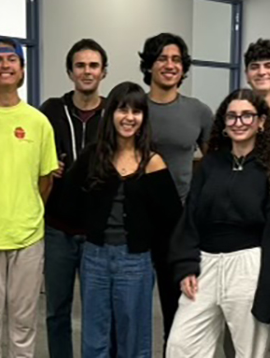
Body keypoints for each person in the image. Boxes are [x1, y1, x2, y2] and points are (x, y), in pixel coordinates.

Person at [59, 81, 182, 358]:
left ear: (144, 117)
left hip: (135, 261)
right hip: (95, 258)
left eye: (136, 111)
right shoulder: (93, 156)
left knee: (134, 341)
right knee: (95, 341)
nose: (129, 117)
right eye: (122, 110)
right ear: (111, 113)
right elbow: (68, 201)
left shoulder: (152, 162)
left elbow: (172, 220)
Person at [166, 88, 270, 358]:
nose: (239, 122)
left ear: (261, 122)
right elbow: (190, 218)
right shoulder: (210, 164)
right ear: (223, 123)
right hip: (205, 264)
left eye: (247, 115)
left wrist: (269, 288)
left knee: (248, 353)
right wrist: (186, 266)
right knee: (180, 346)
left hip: (248, 267)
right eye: (232, 116)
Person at [0, 37, 58, 358]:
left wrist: (26, 210)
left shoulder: (38, 122)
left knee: (23, 325)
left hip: (28, 237)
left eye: (11, 59)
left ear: (22, 69)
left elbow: (45, 180)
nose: (5, 65)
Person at [139, 32, 212, 345]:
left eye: (176, 60)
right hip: (137, 221)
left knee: (178, 309)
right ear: (149, 65)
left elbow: (214, 166)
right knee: (134, 307)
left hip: (179, 223)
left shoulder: (198, 111)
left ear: (183, 67)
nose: (170, 65)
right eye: (162, 59)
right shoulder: (134, 107)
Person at [39, 39, 108, 358]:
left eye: (93, 65)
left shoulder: (112, 113)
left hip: (98, 233)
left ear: (103, 72)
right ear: (70, 72)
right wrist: (46, 167)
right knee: (56, 311)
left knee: (97, 312)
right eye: (80, 65)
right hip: (58, 228)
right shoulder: (51, 110)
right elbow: (33, 156)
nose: (87, 71)